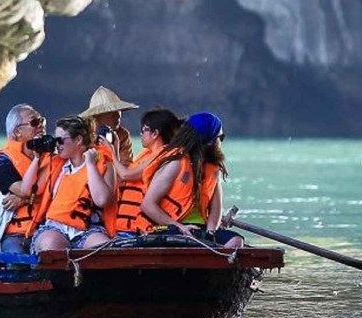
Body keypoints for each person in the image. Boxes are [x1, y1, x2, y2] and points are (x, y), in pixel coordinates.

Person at [141, 111, 241, 247]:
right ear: (209, 139)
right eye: (220, 137)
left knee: (236, 241)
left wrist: (210, 233)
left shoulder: (212, 169)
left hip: (200, 231)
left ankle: (214, 265)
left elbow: (215, 211)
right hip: (170, 229)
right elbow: (148, 205)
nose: (221, 141)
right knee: (189, 240)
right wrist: (178, 226)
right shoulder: (175, 163)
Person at [30, 116, 115, 252]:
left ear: (78, 140)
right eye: (56, 140)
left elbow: (102, 200)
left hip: (88, 229)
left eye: (61, 140)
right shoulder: (55, 164)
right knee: (50, 245)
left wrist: (91, 165)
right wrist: (36, 157)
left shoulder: (104, 163)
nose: (58, 145)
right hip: (55, 226)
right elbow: (31, 190)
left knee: (104, 249)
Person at [0, 103, 55, 254]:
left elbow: (62, 190)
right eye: (34, 122)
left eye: (42, 121)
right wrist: (26, 198)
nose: (41, 126)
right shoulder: (2, 161)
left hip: (47, 229)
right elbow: (23, 190)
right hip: (15, 234)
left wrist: (22, 200)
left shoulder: (53, 157)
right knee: (15, 255)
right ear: (18, 131)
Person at [108, 107, 182, 237]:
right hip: (126, 226)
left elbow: (126, 175)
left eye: (144, 130)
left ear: (155, 134)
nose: (141, 134)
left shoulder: (161, 155)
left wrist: (112, 152)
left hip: (135, 227)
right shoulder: (149, 154)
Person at [77, 85, 137, 170]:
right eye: (111, 112)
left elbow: (125, 166)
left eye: (118, 111)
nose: (118, 116)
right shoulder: (82, 135)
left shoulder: (122, 134)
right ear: (96, 116)